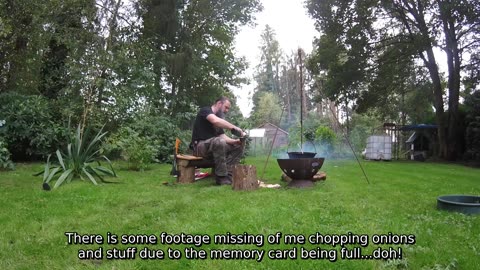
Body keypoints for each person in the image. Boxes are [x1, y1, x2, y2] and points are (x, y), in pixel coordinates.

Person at [191, 97, 246, 185]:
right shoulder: (205, 110)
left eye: (228, 108)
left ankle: (229, 175)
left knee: (239, 145)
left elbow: (222, 136)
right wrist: (235, 128)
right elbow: (215, 120)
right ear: (219, 104)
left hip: (214, 145)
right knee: (219, 141)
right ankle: (221, 177)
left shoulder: (218, 119)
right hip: (199, 148)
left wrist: (235, 141)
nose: (227, 110)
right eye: (226, 107)